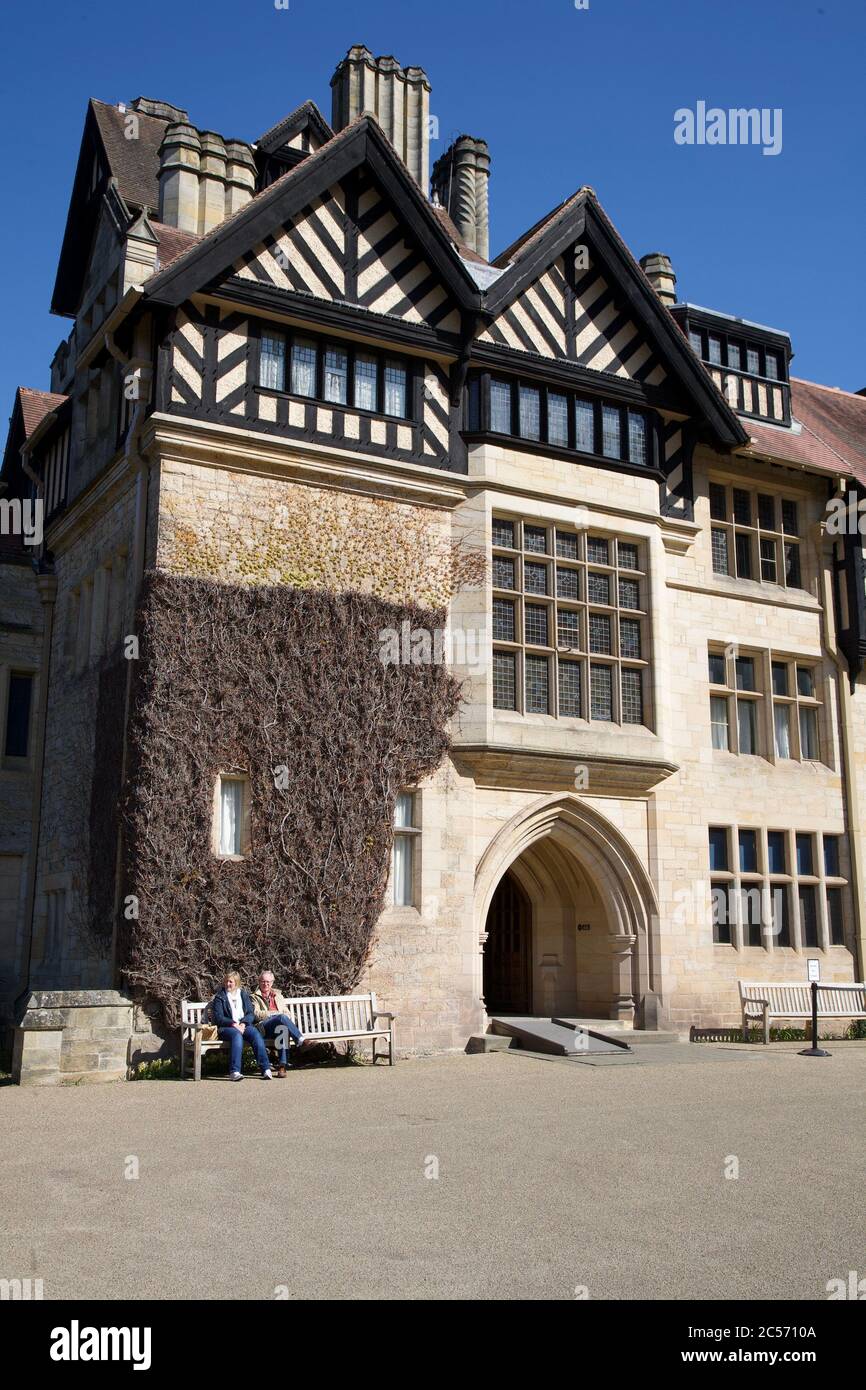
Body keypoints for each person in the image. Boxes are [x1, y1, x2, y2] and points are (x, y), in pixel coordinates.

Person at [212, 971, 273, 1081]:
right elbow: (219, 1018)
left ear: (236, 983)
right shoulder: (220, 997)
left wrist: (244, 1023)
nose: (227, 984)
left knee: (255, 1033)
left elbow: (250, 1013)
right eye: (226, 981)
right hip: (226, 1028)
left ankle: (265, 1069)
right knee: (236, 1035)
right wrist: (234, 1024)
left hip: (243, 1025)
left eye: (230, 982)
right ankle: (234, 1071)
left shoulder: (243, 995)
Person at [251, 970, 306, 1078]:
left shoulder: (278, 995)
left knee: (283, 1029)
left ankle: (282, 1066)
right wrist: (273, 1014)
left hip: (279, 1026)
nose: (265, 984)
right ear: (259, 982)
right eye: (263, 981)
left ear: (272, 983)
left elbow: (287, 1012)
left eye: (268, 982)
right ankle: (300, 1040)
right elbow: (256, 1014)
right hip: (264, 1027)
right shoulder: (253, 997)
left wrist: (284, 1016)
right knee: (280, 1017)